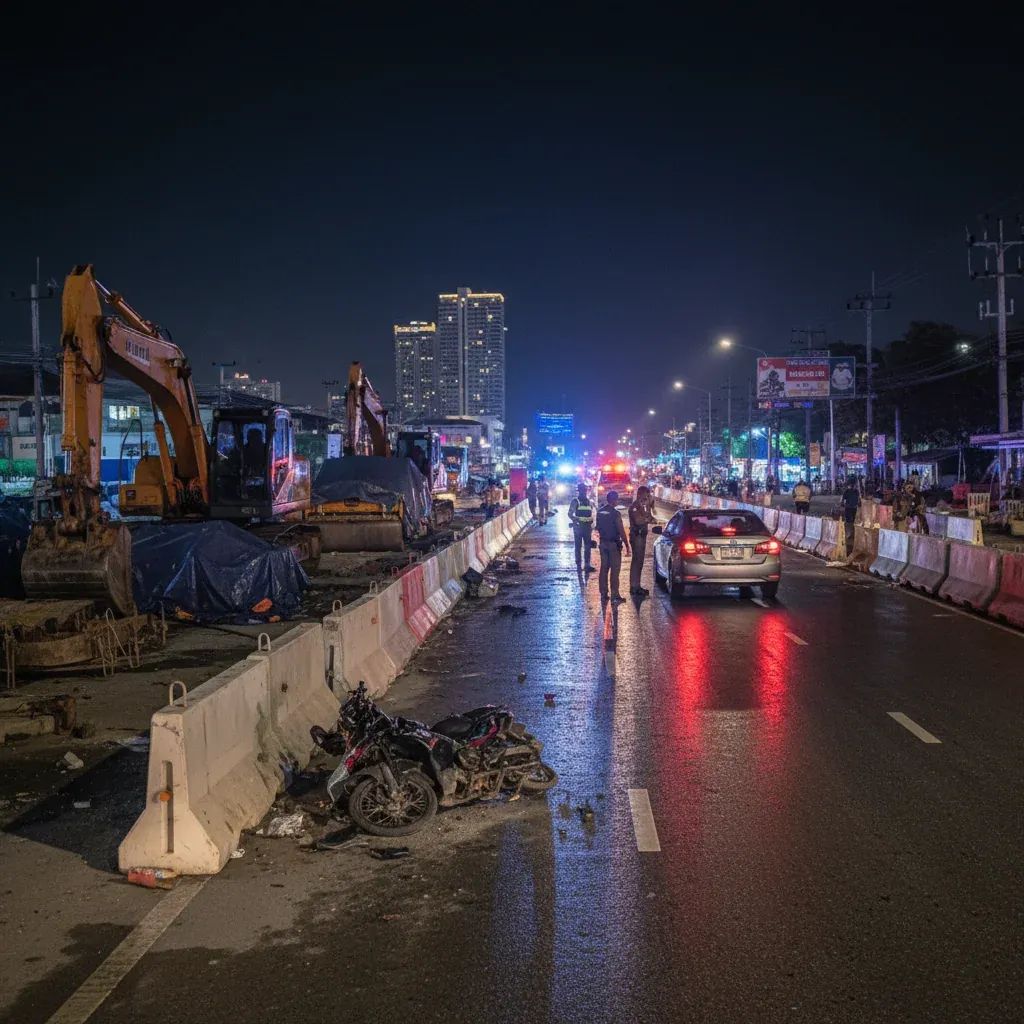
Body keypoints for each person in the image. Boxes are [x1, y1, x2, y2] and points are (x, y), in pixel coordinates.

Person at [596, 490, 630, 602]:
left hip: (603, 543)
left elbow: (598, 528)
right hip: (613, 545)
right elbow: (621, 530)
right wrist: (626, 544)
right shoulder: (616, 514)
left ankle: (603, 593)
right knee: (615, 570)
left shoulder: (599, 512)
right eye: (617, 499)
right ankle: (615, 595)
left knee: (604, 569)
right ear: (614, 500)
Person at [628, 484, 654, 596]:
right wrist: (647, 519)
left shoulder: (643, 506)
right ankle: (634, 586)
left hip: (642, 536)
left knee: (640, 562)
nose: (647, 498)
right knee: (636, 561)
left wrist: (648, 509)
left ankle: (637, 585)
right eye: (645, 495)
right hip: (636, 536)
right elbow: (639, 521)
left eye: (648, 496)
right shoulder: (635, 506)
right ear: (639, 494)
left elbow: (650, 516)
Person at [568, 483, 596, 573]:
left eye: (585, 490)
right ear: (579, 491)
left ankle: (587, 565)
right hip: (579, 528)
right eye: (582, 490)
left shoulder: (589, 501)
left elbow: (591, 514)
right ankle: (578, 564)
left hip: (587, 527)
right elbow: (570, 513)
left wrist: (591, 522)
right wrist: (577, 520)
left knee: (587, 546)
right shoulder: (575, 501)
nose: (584, 492)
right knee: (578, 546)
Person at [841, 479, 861, 544]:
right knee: (851, 521)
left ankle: (850, 534)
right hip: (852, 508)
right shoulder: (856, 491)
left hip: (849, 508)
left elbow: (843, 499)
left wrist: (842, 504)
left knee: (849, 521)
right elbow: (859, 500)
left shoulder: (848, 491)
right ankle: (851, 533)